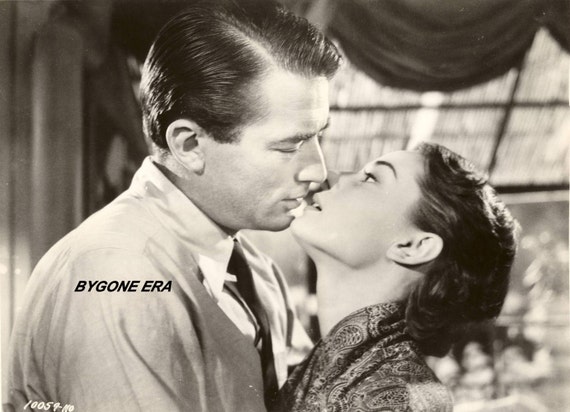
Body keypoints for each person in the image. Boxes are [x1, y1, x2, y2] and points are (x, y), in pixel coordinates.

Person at [7, 2, 341, 411]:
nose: (317, 170)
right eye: (290, 145)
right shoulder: (119, 273)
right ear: (189, 144)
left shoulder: (255, 271)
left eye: (318, 136)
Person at [274, 143, 518, 411]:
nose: (330, 175)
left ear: (412, 247)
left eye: (371, 178)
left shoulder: (395, 399)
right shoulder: (337, 370)